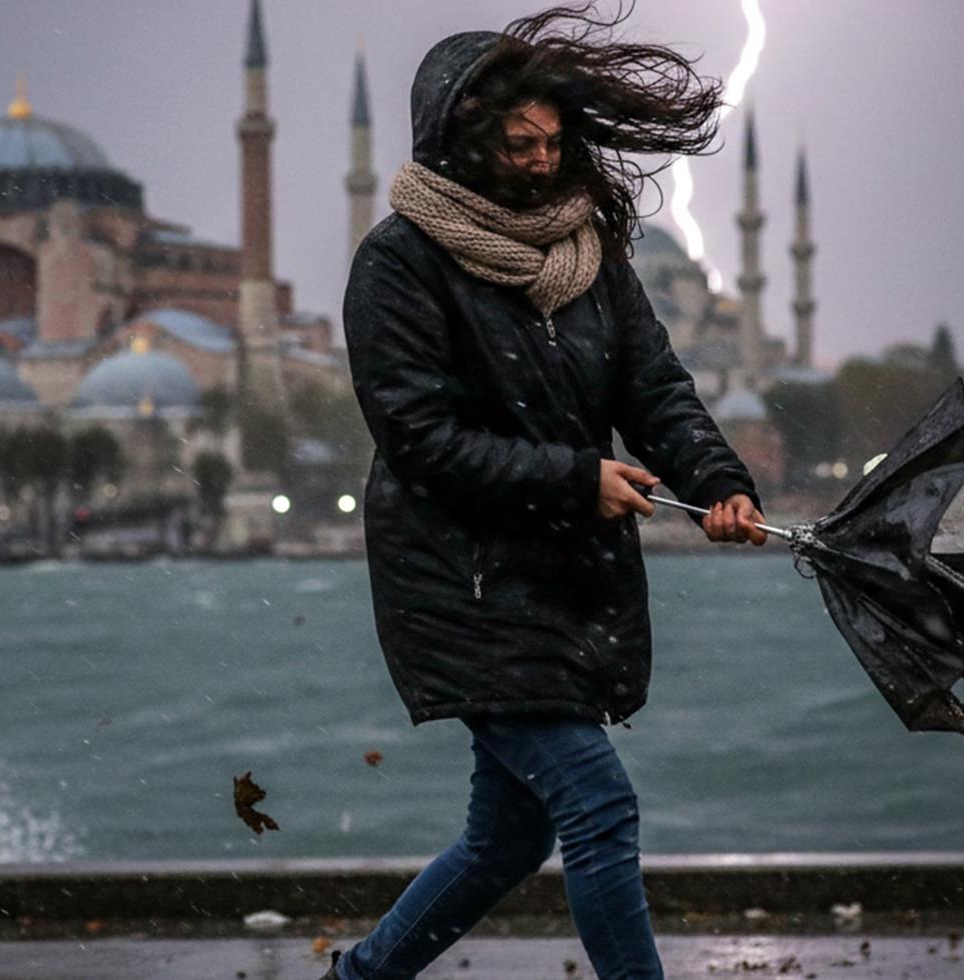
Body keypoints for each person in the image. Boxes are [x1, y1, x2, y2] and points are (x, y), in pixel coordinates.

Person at [328, 5, 767, 978]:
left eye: (551, 142)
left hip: (566, 579)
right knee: (598, 802)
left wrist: (721, 485)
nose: (538, 161)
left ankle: (358, 975)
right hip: (463, 582)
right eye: (516, 143)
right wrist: (579, 478)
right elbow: (421, 439)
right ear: (462, 141)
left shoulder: (593, 256)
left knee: (507, 840)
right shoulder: (400, 264)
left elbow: (655, 391)